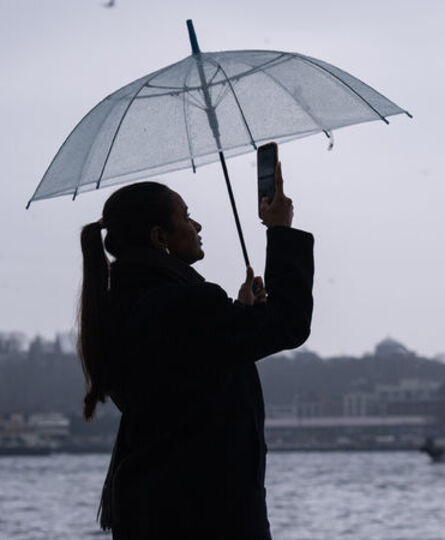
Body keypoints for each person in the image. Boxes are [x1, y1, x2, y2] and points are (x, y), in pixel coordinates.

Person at [76, 159, 314, 539]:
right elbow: (289, 324)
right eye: (186, 216)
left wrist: (238, 315)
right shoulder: (186, 304)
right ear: (160, 237)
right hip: (206, 513)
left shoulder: (121, 306)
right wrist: (280, 230)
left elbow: (187, 376)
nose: (197, 226)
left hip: (150, 511)